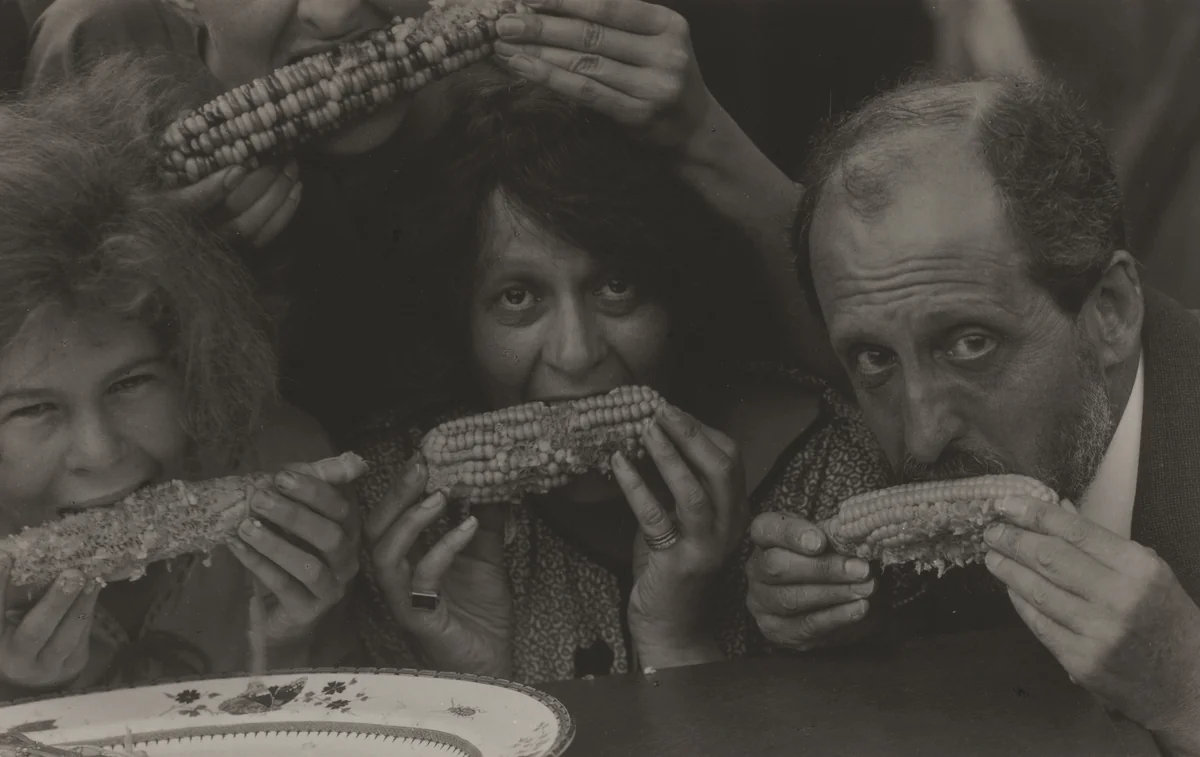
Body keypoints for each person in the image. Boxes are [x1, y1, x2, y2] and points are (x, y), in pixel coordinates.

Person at [345, 70, 924, 686]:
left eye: (617, 287)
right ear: (460, 319)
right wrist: (474, 682)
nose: (574, 353)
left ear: (678, 297)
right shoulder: (409, 517)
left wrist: (676, 640)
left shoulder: (829, 480)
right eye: (517, 297)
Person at [23, 0, 825, 441]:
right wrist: (180, 296)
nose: (337, 16)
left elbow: (850, 368)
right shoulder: (103, 73)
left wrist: (706, 140)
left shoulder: (537, 97)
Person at [747, 73, 1200, 756]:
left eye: (970, 343)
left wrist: (1186, 689)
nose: (922, 435)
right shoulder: (881, 467)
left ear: (1111, 311)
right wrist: (846, 634)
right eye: (874, 357)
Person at [0, 55, 362, 699]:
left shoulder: (288, 466)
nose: (100, 450)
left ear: (195, 362)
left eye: (130, 383)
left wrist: (291, 647)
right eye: (32, 410)